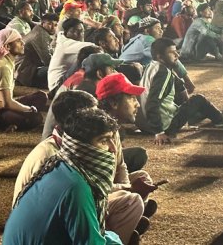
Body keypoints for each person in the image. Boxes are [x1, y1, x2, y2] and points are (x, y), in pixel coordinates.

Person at [16, 88, 155, 245]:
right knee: (131, 201)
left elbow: (119, 165)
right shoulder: (52, 157)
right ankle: (122, 227)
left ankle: (122, 227)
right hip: (50, 221)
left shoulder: (83, 144)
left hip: (63, 213)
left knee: (139, 180)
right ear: (75, 121)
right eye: (90, 115)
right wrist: (125, 190)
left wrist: (125, 186)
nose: (97, 117)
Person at [4, 109, 124, 245]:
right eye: (103, 141)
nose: (113, 149)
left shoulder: (58, 164)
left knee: (112, 238)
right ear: (81, 147)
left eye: (112, 139)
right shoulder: (76, 187)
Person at [139, 38, 223, 144]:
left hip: (144, 124)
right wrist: (159, 132)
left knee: (179, 92)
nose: (177, 55)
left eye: (176, 52)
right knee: (198, 99)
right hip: (163, 126)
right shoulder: (163, 73)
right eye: (172, 53)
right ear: (160, 56)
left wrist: (184, 94)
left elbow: (176, 83)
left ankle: (194, 116)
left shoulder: (152, 66)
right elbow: (151, 103)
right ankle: (222, 120)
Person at [0, 28, 47, 132]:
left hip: (1, 105)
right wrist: (29, 109)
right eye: (18, 41)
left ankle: (12, 123)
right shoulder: (2, 67)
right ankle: (3, 125)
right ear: (7, 47)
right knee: (35, 118)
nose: (23, 43)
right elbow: (7, 103)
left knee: (41, 96)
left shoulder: (6, 62)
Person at [48, 18, 92, 92]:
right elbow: (93, 48)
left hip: (63, 82)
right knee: (86, 54)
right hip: (57, 87)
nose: (80, 34)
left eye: (82, 31)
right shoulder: (65, 44)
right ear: (66, 32)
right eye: (75, 31)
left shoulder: (66, 40)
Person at [15, 13, 57, 88]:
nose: (53, 27)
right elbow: (47, 59)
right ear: (43, 23)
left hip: (24, 69)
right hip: (24, 72)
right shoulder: (40, 35)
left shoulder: (39, 29)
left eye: (55, 25)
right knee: (57, 69)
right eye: (50, 24)